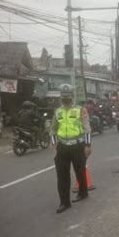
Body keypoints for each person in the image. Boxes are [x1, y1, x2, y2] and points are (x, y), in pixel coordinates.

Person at [50, 84, 92, 214]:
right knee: (62, 175)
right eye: (63, 96)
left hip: (78, 146)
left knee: (79, 171)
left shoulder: (81, 110)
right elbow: (53, 129)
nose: (66, 98)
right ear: (61, 97)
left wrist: (87, 145)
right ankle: (64, 202)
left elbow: (87, 128)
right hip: (62, 147)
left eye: (68, 96)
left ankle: (83, 192)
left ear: (72, 96)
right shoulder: (58, 112)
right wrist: (54, 144)